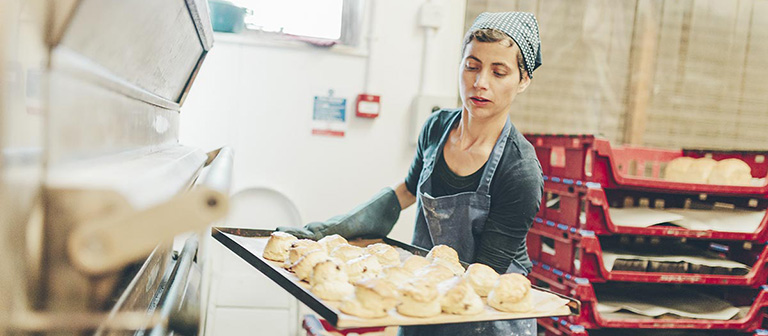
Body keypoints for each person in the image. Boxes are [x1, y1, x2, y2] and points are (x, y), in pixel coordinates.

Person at [279, 11, 543, 336]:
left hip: (484, 315)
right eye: (472, 65)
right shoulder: (436, 128)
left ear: (523, 80)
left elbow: (484, 277)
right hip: (424, 304)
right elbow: (407, 190)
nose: (480, 82)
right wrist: (335, 229)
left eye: (499, 72)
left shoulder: (520, 170)